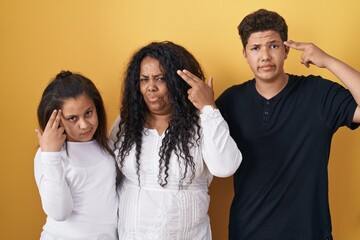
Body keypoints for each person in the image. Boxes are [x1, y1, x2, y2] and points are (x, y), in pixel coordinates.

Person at [213, 8, 360, 240]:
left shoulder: (318, 94)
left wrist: (328, 61)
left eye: (273, 46)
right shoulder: (231, 101)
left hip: (310, 233)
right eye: (255, 48)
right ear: (245, 53)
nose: (265, 56)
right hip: (247, 232)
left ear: (286, 50)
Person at [109, 41, 242, 240]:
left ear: (177, 81)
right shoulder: (126, 123)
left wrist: (209, 108)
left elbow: (225, 167)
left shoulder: (201, 122)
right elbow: (106, 175)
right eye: (144, 79)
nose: (151, 87)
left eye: (160, 79)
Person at [34, 71, 118, 239]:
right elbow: (59, 212)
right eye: (72, 118)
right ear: (56, 119)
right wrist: (51, 155)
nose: (84, 125)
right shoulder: (49, 156)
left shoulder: (107, 146)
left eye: (88, 113)